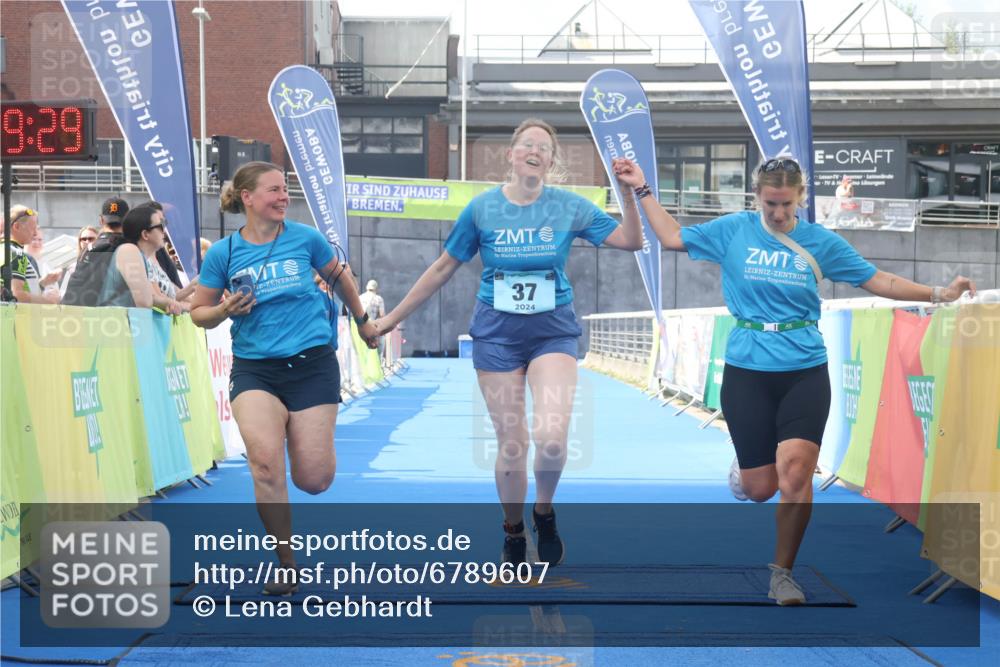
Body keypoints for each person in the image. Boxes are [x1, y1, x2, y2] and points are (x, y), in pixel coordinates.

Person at [614, 155, 976, 605]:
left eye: (787, 205)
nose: (779, 214)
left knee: (798, 472)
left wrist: (940, 294)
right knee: (761, 488)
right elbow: (669, 237)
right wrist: (643, 188)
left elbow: (878, 279)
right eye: (770, 205)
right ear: (757, 197)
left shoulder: (820, 242)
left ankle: (782, 573)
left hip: (804, 368)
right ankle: (747, 472)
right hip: (748, 368)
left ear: (802, 198)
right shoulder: (734, 230)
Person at [373, 119, 644, 565]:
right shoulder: (481, 210)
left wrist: (629, 193)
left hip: (552, 334)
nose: (535, 151)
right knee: (513, 444)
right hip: (497, 338)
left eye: (545, 147)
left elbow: (632, 240)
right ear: (511, 155)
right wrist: (389, 321)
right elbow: (442, 268)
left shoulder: (569, 208)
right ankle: (513, 530)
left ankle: (544, 510)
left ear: (552, 161)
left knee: (553, 440)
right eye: (527, 145)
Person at [189, 161, 378, 594]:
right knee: (265, 463)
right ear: (248, 198)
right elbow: (200, 312)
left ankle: (304, 439)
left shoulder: (305, 238)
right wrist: (223, 311)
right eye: (274, 189)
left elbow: (341, 276)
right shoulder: (224, 253)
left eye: (285, 189)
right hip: (256, 368)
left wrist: (363, 321)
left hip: (312, 364)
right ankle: (286, 563)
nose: (283, 196)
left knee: (313, 479)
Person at [96, 206, 180, 312]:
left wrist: (168, 303)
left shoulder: (138, 255)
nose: (164, 231)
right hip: (113, 324)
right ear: (145, 234)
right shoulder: (129, 251)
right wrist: (169, 303)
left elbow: (151, 298)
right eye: (161, 225)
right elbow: (145, 301)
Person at [1, 206, 59, 304]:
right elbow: (16, 294)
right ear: (16, 226)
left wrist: (41, 284)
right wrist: (49, 302)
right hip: (14, 317)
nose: (35, 233)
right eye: (32, 228)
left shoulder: (5, 249)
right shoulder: (16, 253)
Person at [360, 279, 387, 360]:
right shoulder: (379, 299)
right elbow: (382, 315)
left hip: (362, 326)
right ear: (376, 288)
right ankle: (379, 366)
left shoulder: (360, 297)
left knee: (363, 351)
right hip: (374, 326)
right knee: (378, 349)